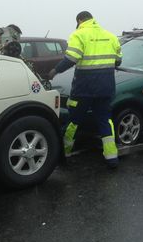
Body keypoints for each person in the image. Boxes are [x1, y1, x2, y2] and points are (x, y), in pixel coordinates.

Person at [48, 11, 122, 168]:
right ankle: (112, 158)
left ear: (80, 20)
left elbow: (71, 59)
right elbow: (118, 61)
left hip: (84, 89)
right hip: (105, 87)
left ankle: (63, 154)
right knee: (105, 120)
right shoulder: (110, 36)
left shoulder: (79, 34)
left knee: (74, 121)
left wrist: (55, 71)